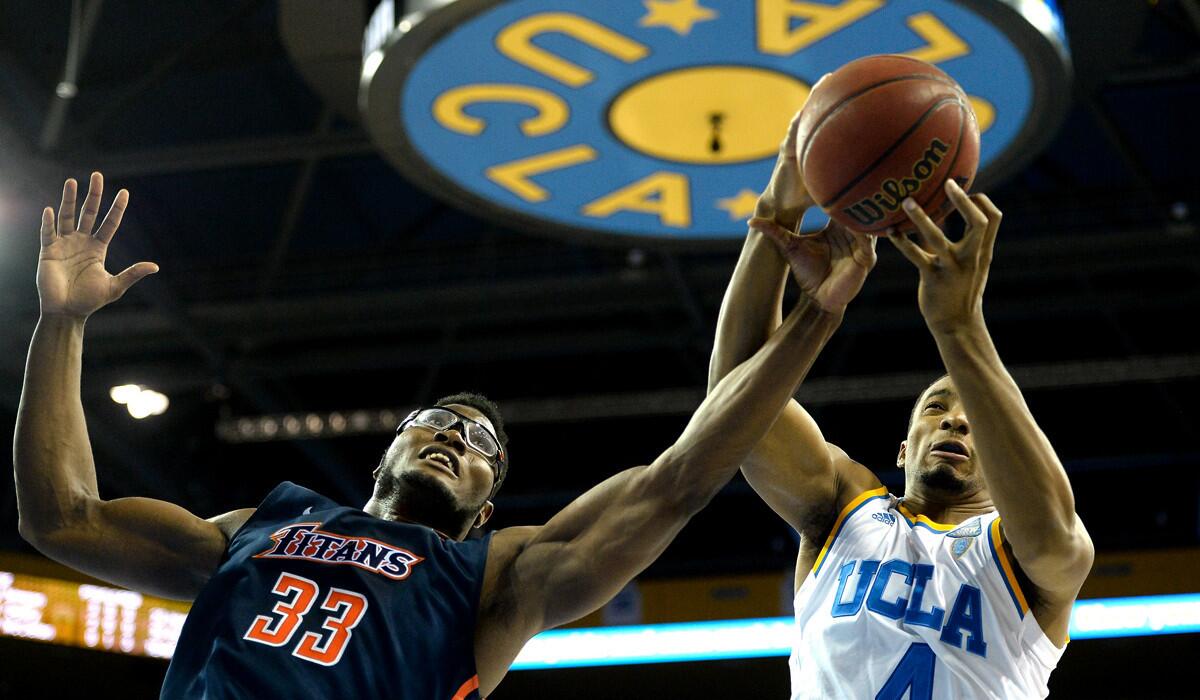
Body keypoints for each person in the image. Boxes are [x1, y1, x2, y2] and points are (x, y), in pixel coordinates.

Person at [14, 168, 874, 699]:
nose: (457, 438)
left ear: (485, 509)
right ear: (386, 448)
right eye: (438, 423)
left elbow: (679, 478)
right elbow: (64, 520)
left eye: (481, 449)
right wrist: (63, 325)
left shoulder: (494, 578)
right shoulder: (266, 525)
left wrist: (814, 319)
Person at [708, 119, 1093, 698]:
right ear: (903, 445)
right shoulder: (844, 507)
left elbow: (1053, 533)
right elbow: (734, 407)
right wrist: (777, 213)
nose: (955, 419)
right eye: (936, 406)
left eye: (973, 417)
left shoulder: (1025, 558)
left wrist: (960, 328)